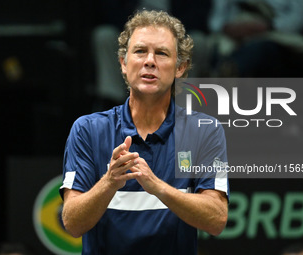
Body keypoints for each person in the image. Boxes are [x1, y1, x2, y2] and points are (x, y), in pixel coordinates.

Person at [60, 10, 229, 255]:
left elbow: (216, 220)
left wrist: (157, 187)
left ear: (180, 67)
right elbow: (72, 224)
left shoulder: (205, 131)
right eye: (140, 51)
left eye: (161, 53)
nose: (150, 60)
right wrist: (108, 183)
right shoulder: (87, 129)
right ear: (123, 63)